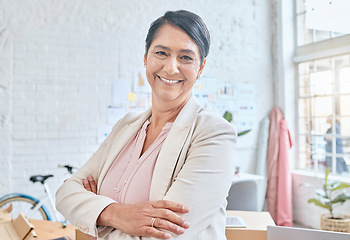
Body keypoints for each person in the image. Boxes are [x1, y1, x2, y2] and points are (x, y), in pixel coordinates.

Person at [56, 10, 236, 240]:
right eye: (161, 53)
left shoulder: (213, 134)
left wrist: (93, 220)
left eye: (186, 57)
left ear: (200, 68)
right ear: (146, 58)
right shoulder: (127, 125)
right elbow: (65, 194)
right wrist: (113, 213)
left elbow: (165, 236)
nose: (171, 68)